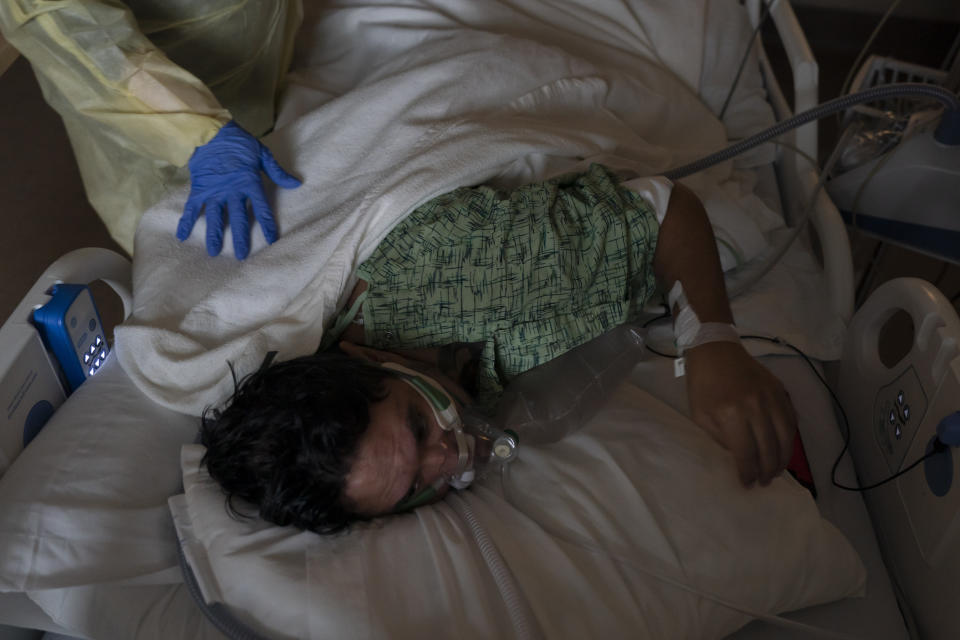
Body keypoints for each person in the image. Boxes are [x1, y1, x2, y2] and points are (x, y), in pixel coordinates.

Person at [200, 164, 799, 534]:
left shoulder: (463, 271)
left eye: (415, 428)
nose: (447, 460)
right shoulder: (401, 415)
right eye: (413, 487)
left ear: (357, 358)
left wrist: (711, 341)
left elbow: (667, 210)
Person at [0, 0, 303, 259]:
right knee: (206, 263)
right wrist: (197, 131)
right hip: (162, 130)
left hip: (253, 61)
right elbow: (84, 42)